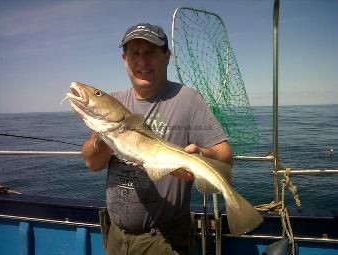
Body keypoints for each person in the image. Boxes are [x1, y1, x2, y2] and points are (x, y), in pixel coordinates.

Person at [81, 23, 233, 255]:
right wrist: (104, 134)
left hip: (164, 240)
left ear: (167, 57)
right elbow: (92, 164)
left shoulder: (188, 99)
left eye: (151, 52)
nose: (142, 62)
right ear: (125, 59)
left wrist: (202, 156)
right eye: (135, 53)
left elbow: (225, 156)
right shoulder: (115, 101)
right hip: (116, 236)